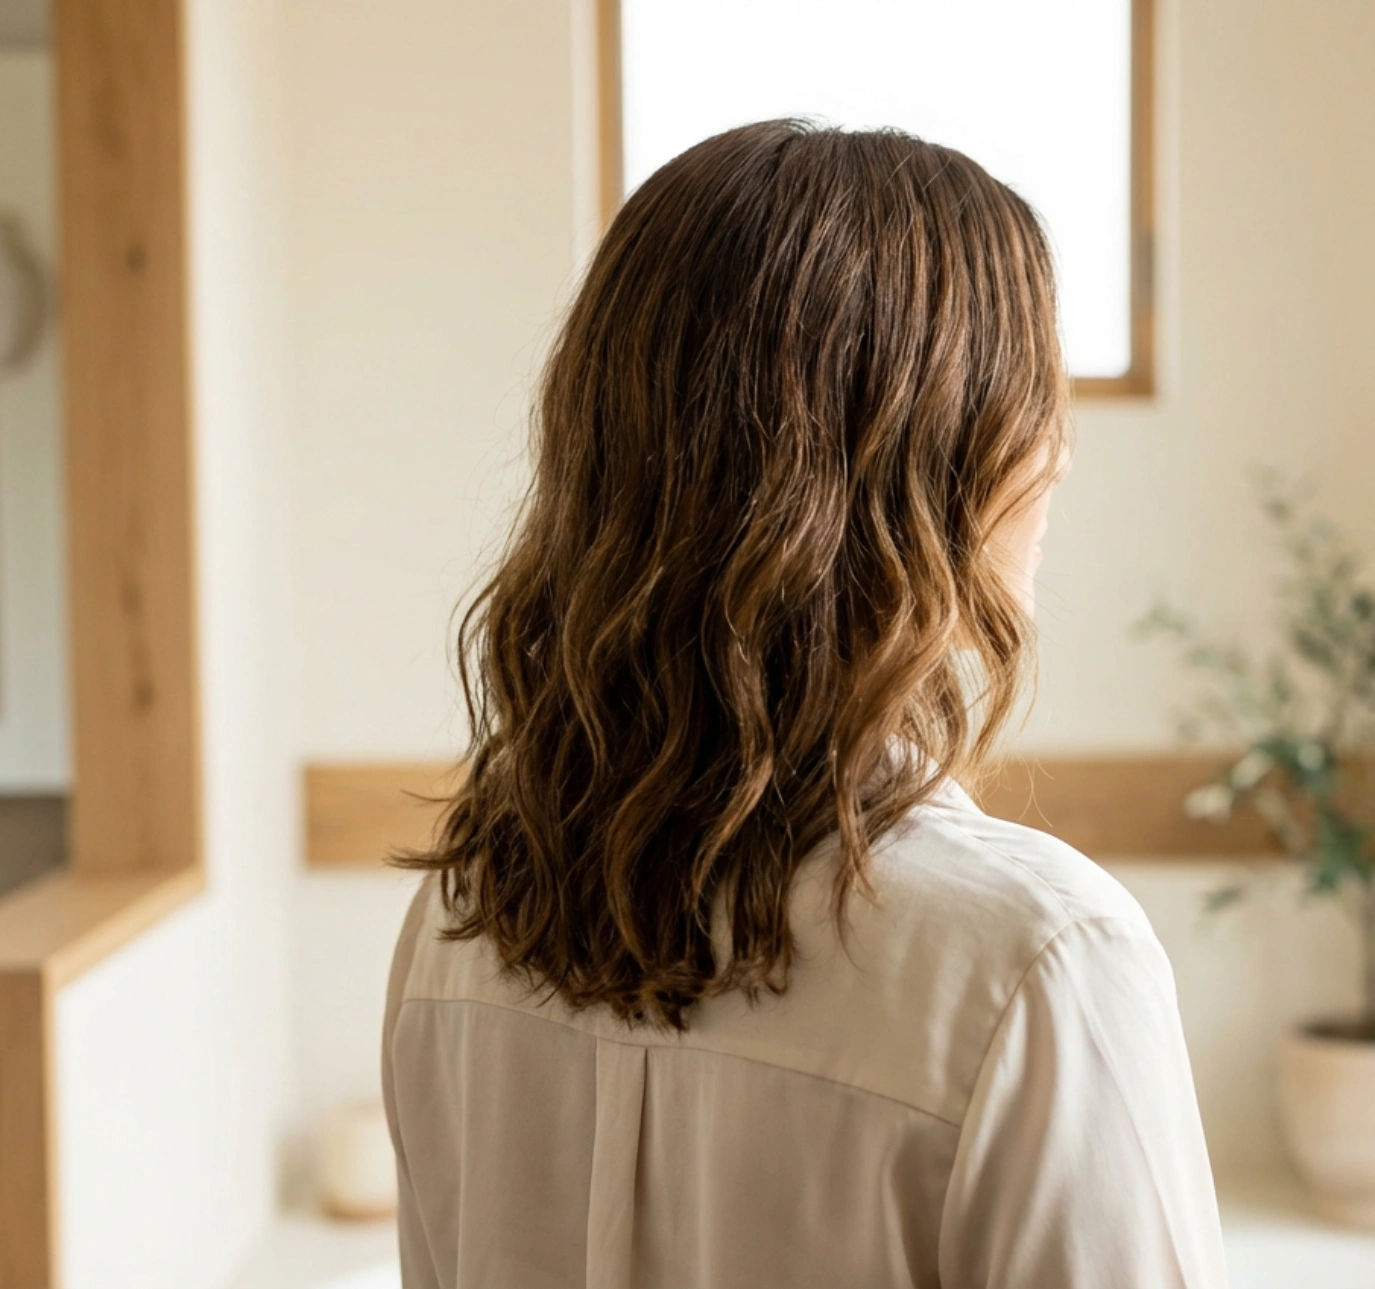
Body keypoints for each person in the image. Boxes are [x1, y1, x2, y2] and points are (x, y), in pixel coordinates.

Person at [384, 119, 1227, 1289]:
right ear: (923, 465)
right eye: (1029, 392)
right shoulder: (1041, 960)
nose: (1059, 455)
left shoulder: (463, 912)